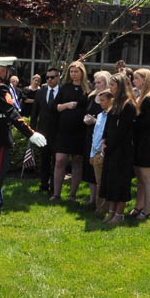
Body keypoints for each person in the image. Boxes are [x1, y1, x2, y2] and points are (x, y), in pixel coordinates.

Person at [0, 56, 47, 217]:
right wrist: (30, 133)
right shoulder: (0, 87)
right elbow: (11, 112)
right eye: (8, 71)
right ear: (4, 70)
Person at [100, 72, 137, 224]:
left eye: (113, 85)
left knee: (120, 182)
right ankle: (111, 212)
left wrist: (109, 147)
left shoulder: (128, 105)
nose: (110, 88)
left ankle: (119, 214)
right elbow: (108, 125)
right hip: (111, 148)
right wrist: (104, 141)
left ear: (120, 86)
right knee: (111, 182)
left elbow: (122, 131)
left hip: (122, 150)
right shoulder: (115, 103)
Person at [51, 61, 90, 202]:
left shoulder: (88, 89)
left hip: (80, 131)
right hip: (64, 130)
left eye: (76, 71)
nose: (73, 74)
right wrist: (67, 105)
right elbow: (55, 107)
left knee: (77, 161)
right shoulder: (65, 88)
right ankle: (56, 194)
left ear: (82, 73)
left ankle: (72, 195)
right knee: (60, 160)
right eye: (71, 71)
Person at [130, 68, 150, 219]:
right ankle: (139, 206)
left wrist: (133, 120)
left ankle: (147, 210)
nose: (134, 81)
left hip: (147, 143)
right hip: (138, 142)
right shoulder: (140, 97)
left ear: (144, 80)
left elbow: (149, 123)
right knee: (140, 178)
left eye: (136, 78)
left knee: (147, 178)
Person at [83, 70, 112, 209]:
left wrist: (95, 121)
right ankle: (92, 198)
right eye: (95, 82)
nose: (96, 85)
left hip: (102, 137)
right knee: (90, 167)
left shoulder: (109, 98)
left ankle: (101, 202)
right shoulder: (91, 96)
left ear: (106, 83)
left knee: (100, 170)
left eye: (99, 82)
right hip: (90, 135)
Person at [31, 68, 60, 195]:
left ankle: (54, 187)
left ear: (58, 77)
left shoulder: (62, 92)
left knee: (57, 161)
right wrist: (32, 131)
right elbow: (34, 112)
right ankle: (44, 185)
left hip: (58, 132)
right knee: (44, 160)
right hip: (43, 132)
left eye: (52, 77)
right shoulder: (40, 92)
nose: (49, 80)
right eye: (47, 77)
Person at [89, 89, 113, 216]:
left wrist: (103, 154)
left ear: (110, 100)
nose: (101, 103)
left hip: (105, 152)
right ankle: (99, 208)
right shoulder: (99, 115)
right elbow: (95, 134)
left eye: (103, 100)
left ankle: (106, 208)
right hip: (96, 152)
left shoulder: (112, 116)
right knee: (99, 182)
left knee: (106, 182)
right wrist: (92, 154)